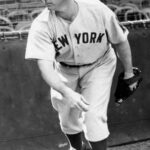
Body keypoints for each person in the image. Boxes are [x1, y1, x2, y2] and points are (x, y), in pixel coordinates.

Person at [25, 0, 137, 149]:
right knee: (66, 112)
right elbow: (45, 68)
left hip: (99, 64)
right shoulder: (41, 24)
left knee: (92, 115)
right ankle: (76, 147)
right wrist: (66, 92)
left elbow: (120, 41)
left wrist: (129, 73)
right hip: (65, 69)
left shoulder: (97, 9)